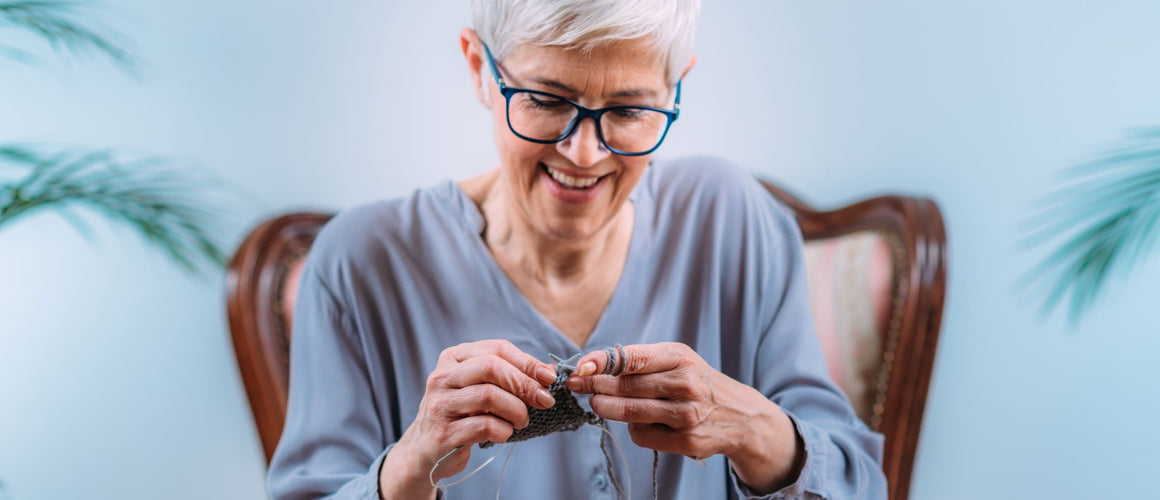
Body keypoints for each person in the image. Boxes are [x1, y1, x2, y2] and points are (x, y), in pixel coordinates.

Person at [266, 1, 887, 498]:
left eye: (630, 109)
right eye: (545, 100)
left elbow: (862, 484)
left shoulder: (733, 221)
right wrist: (407, 468)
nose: (585, 154)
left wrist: (756, 433)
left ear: (676, 88)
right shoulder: (360, 265)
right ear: (480, 69)